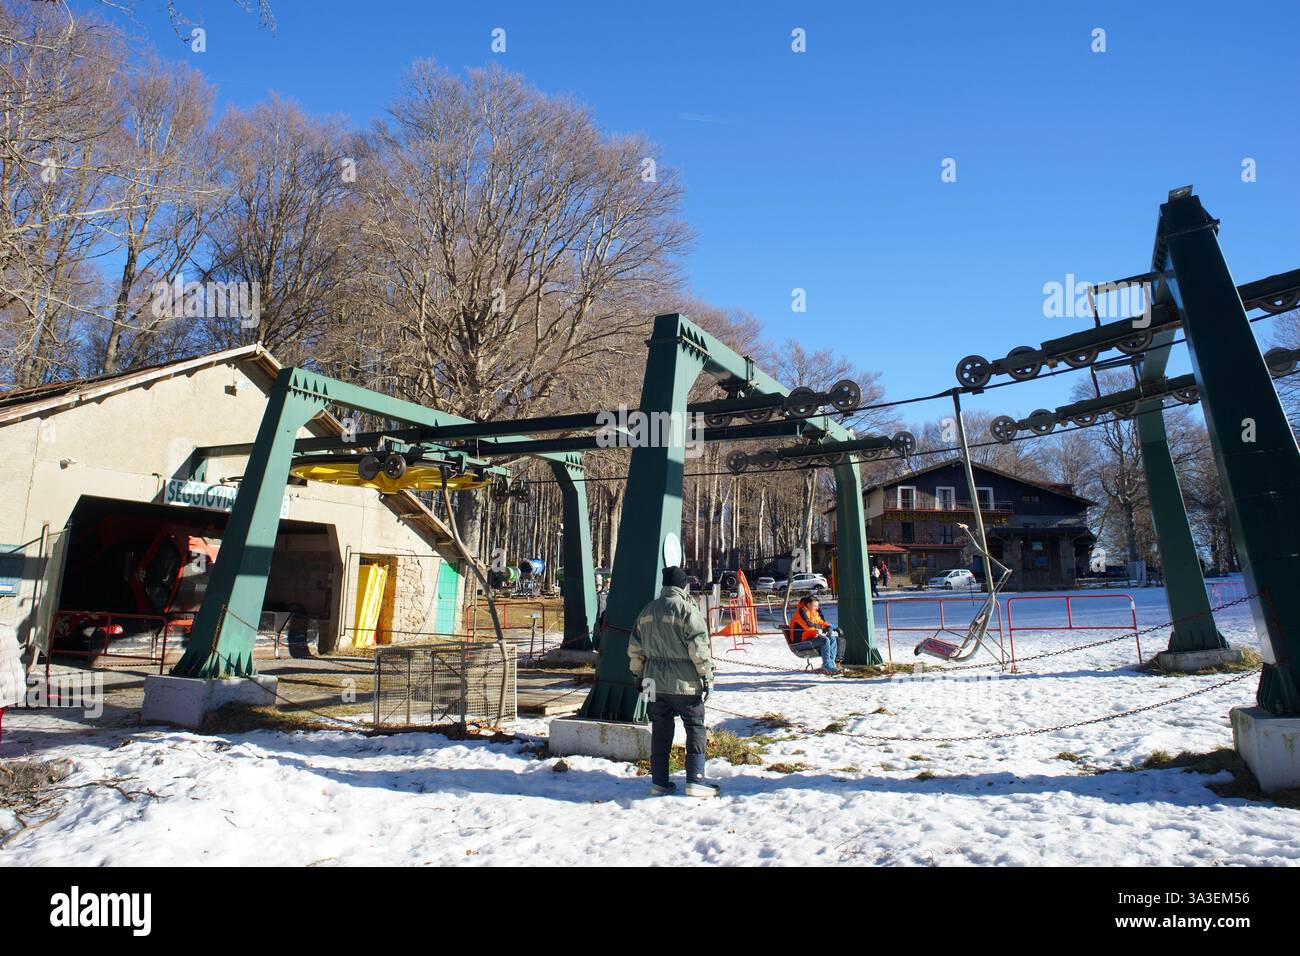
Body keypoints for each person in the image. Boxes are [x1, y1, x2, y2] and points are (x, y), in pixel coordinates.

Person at [627, 566, 718, 798]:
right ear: (683, 585)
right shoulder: (687, 609)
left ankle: (659, 781)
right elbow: (698, 648)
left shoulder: (647, 610)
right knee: (695, 726)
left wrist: (638, 676)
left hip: (654, 682)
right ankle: (695, 779)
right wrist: (707, 676)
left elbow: (635, 649)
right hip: (685, 682)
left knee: (660, 729)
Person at [790, 595, 840, 674]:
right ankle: (827, 666)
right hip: (800, 642)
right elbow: (808, 626)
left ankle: (831, 664)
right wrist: (821, 628)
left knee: (832, 639)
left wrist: (828, 626)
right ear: (809, 604)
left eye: (817, 606)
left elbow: (820, 622)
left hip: (810, 638)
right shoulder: (801, 612)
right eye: (815, 606)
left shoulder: (813, 612)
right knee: (825, 640)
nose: (817, 608)